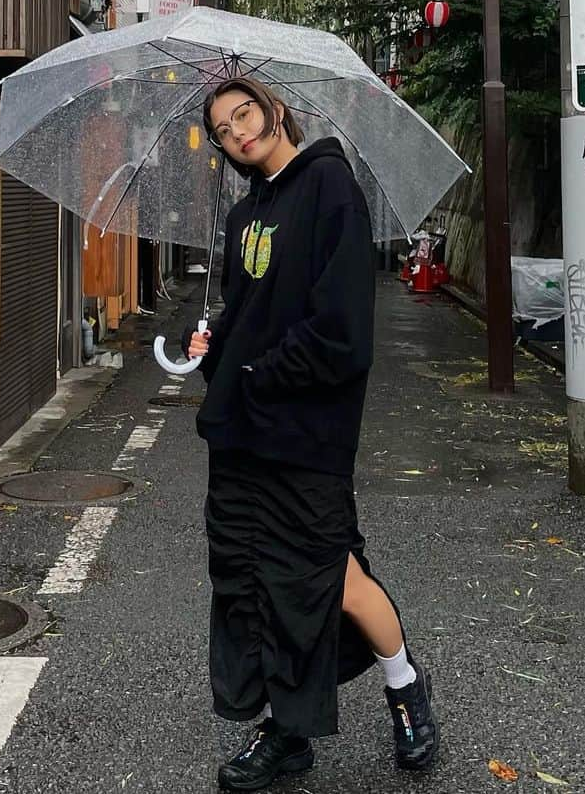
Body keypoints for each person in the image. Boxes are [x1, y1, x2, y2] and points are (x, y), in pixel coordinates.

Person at [183, 78, 438, 792]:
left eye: (245, 113)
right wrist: (215, 341)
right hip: (239, 433)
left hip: (306, 430)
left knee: (331, 576)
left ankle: (406, 687)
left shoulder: (330, 189)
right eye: (224, 127)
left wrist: (261, 369)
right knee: (257, 585)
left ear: (275, 110)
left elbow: (344, 331)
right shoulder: (244, 218)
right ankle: (287, 734)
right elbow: (246, 309)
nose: (238, 131)